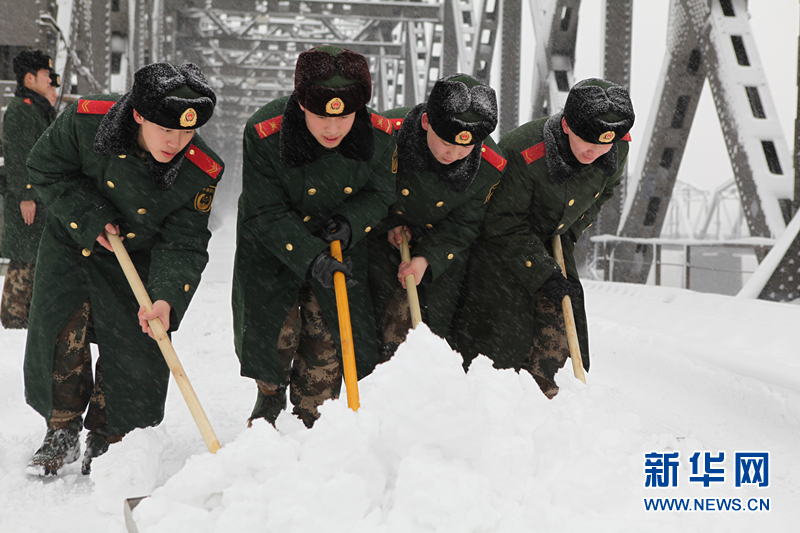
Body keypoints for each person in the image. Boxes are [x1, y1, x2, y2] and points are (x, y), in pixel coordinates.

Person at [24, 62, 224, 476]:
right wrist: (90, 214)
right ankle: (60, 428)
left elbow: (184, 241)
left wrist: (167, 296)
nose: (177, 142)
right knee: (63, 335)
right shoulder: (86, 121)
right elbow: (44, 166)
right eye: (166, 130)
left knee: (136, 349)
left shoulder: (199, 168)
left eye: (187, 132)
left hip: (140, 259)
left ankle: (111, 434)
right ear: (138, 114)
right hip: (73, 243)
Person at [232, 45, 396, 428]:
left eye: (344, 117)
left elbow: (381, 194)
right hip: (273, 242)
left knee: (330, 334)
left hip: (339, 242)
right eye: (321, 115)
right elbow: (264, 209)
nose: (333, 128)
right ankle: (269, 398)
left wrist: (352, 222)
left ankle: (312, 416)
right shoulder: (263, 133)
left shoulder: (381, 136)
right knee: (274, 333)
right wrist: (309, 256)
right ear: (301, 103)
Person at [454, 78, 634, 398]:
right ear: (566, 126)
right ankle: (495, 399)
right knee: (503, 334)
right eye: (586, 142)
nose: (596, 151)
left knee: (561, 325)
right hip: (499, 244)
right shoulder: (524, 152)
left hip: (553, 236)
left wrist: (570, 231)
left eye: (605, 144)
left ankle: (553, 399)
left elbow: (606, 192)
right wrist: (541, 271)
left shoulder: (615, 147)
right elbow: (503, 223)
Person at [368, 73, 505, 360]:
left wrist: (427, 258)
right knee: (370, 324)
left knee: (436, 328)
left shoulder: (491, 165)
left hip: (440, 247)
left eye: (466, 146)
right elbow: (360, 193)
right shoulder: (383, 135)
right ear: (427, 121)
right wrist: (388, 224)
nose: (453, 153)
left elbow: (466, 223)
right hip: (375, 239)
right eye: (445, 142)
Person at [1, 50, 56, 329]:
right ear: (30, 77)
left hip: (36, 198)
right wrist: (26, 195)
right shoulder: (23, 109)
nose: (52, 80)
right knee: (24, 259)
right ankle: (14, 319)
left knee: (32, 258)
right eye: (47, 75)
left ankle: (23, 318)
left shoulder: (35, 107)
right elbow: (18, 154)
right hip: (27, 199)